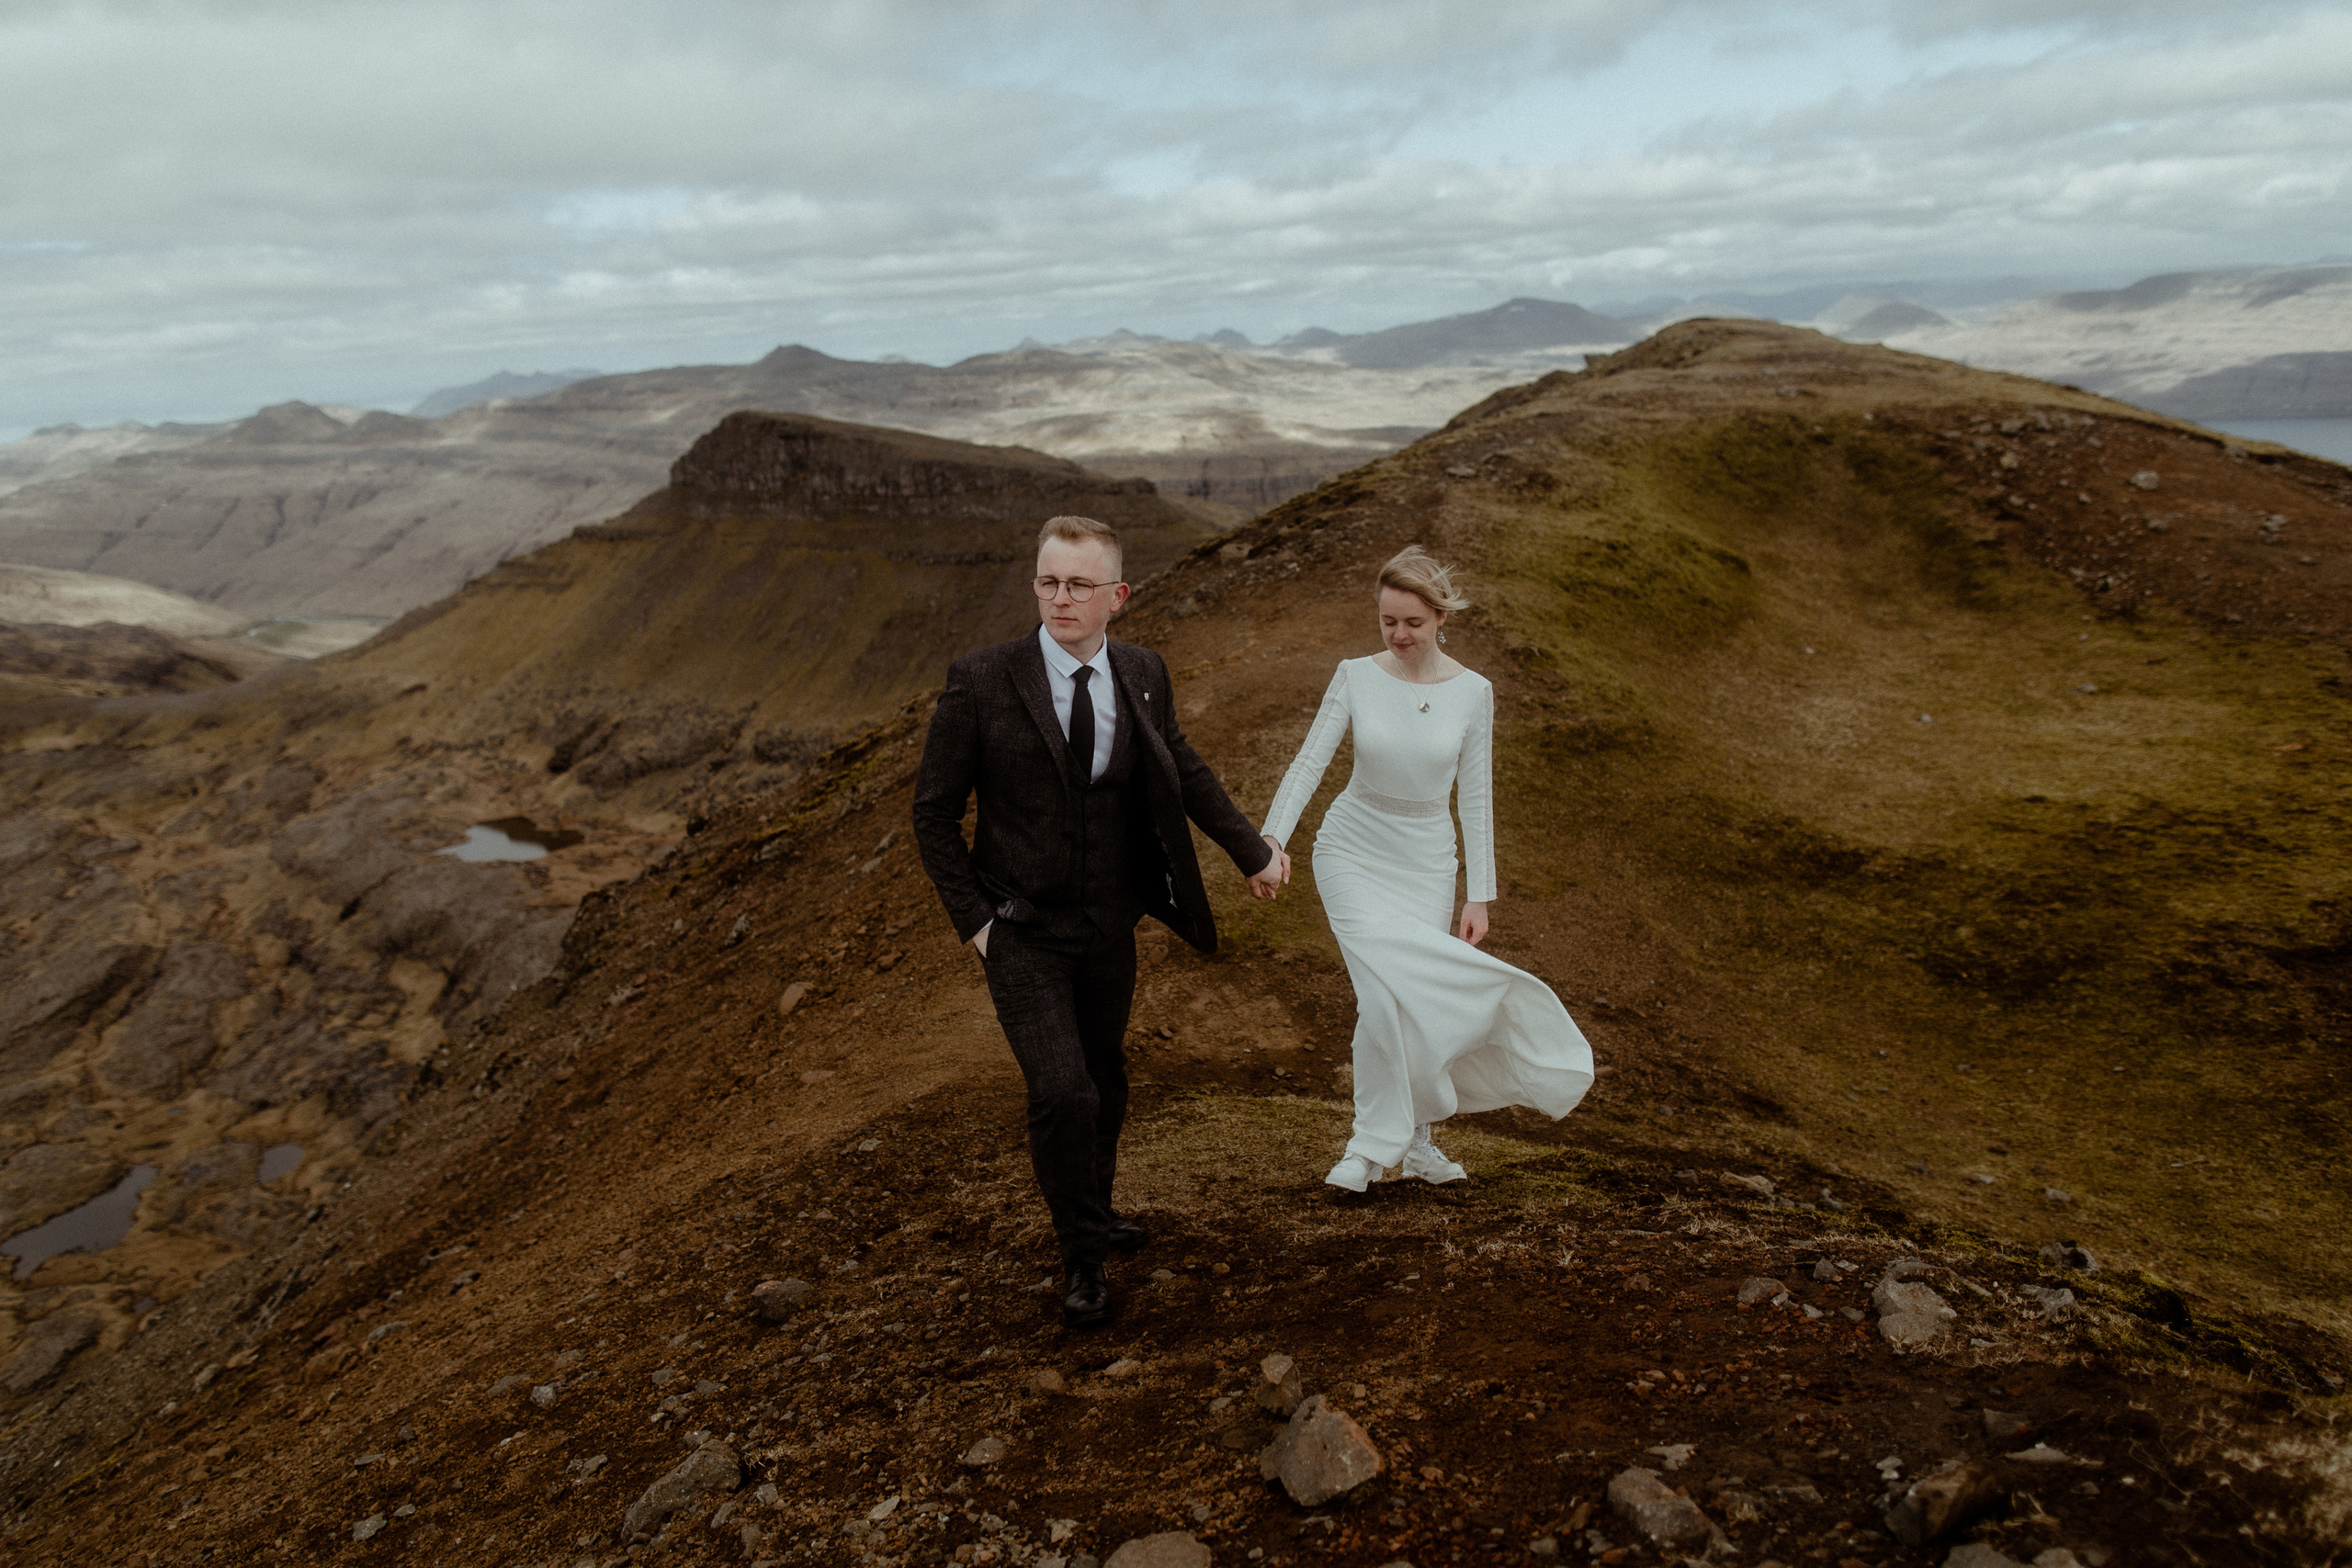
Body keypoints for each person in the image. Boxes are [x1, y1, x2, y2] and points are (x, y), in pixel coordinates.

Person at [911, 514, 1288, 1328]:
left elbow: (1181, 766)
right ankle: (1081, 1254)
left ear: (1117, 595)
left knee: (1106, 1078)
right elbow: (932, 813)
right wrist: (977, 921)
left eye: (1080, 584)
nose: (1060, 598)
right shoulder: (980, 679)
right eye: (1048, 581)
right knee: (1062, 1091)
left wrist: (1249, 850)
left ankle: (1097, 1207)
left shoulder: (1145, 673)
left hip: (1109, 927)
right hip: (1020, 930)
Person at [1260, 545, 1594, 1190]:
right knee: (1382, 998)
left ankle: (1416, 1143)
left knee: (1410, 1005)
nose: (1398, 634)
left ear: (1442, 617)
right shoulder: (1355, 674)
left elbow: (1476, 795)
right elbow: (1307, 763)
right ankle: (1366, 1147)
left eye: (1411, 621)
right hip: (1351, 851)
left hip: (1427, 862)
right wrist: (1273, 840)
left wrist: (1480, 893)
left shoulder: (1474, 692)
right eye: (1387, 621)